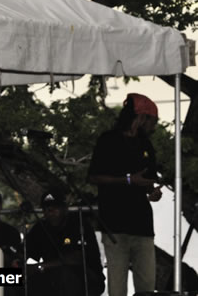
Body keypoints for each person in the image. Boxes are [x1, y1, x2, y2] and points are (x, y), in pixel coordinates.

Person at [88, 93, 161, 296]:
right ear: (141, 117)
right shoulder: (108, 141)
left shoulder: (146, 145)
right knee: (117, 287)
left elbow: (147, 178)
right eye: (153, 120)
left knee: (147, 286)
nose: (153, 127)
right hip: (115, 226)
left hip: (143, 225)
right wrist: (128, 180)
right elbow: (94, 177)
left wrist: (152, 191)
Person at [25, 190, 105, 296]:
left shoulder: (78, 223)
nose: (50, 211)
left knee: (65, 275)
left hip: (86, 277)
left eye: (55, 207)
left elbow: (76, 258)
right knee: (19, 279)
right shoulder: (40, 228)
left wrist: (40, 266)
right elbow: (26, 252)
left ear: (65, 208)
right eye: (46, 208)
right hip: (52, 276)